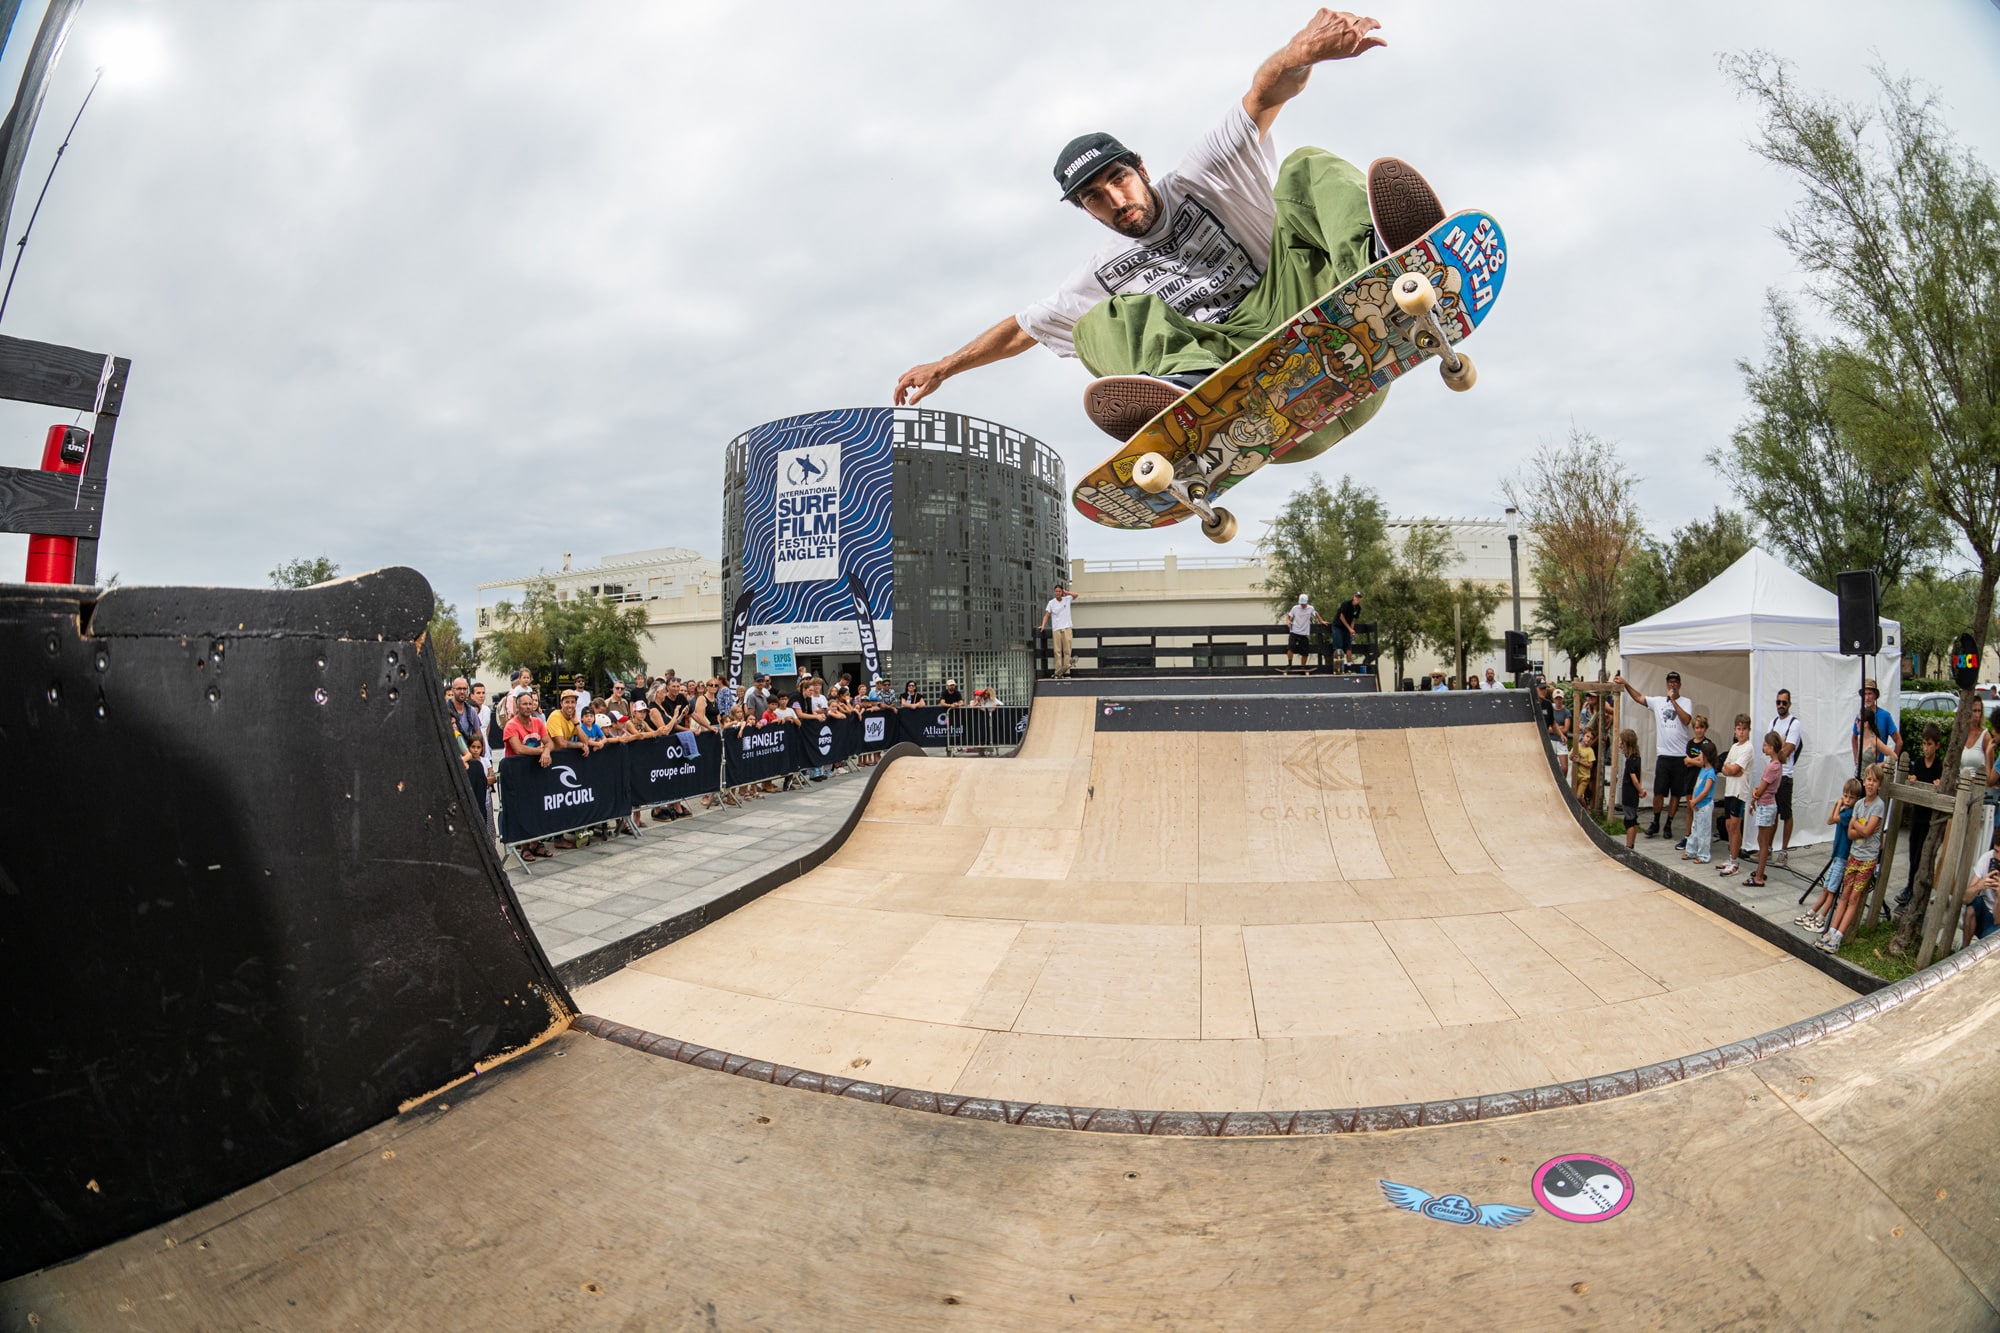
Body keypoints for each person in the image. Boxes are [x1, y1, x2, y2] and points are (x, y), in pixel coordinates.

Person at [892, 10, 1441, 454]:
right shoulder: (1101, 272)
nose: (1116, 200)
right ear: (1085, 210)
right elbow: (1022, 329)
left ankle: (1385, 268)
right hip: (1248, 388)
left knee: (1304, 166)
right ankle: (1190, 398)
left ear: (1142, 170)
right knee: (1098, 322)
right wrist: (945, 367)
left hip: (1315, 314)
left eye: (1119, 179)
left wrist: (1301, 53)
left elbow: (1264, 96)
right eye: (1095, 197)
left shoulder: (1204, 173)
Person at [1614, 670, 1695, 841]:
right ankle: (1656, 821)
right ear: (1666, 684)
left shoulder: (1686, 702)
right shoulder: (1658, 702)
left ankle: (1669, 823)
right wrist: (1626, 684)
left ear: (1680, 685)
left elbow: (1686, 720)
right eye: (1670, 682)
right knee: (1659, 792)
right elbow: (1639, 698)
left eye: (1675, 682)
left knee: (1675, 794)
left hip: (1680, 755)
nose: (1672, 685)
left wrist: (1673, 701)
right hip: (1664, 755)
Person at [1819, 765, 1887, 953]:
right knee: (1844, 894)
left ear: (1879, 785)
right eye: (1869, 779)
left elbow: (1867, 831)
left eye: (1874, 781)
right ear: (1864, 782)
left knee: (1854, 898)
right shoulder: (1858, 804)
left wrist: (1857, 825)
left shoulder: (1878, 806)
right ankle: (1831, 931)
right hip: (1853, 855)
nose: (1871, 784)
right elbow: (1851, 833)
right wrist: (1860, 828)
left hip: (1867, 859)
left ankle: (1838, 936)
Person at [1797, 778, 1863, 934]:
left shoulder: (1850, 814)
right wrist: (1835, 805)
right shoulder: (1844, 811)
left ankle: (1821, 919)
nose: (1847, 800)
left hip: (1843, 857)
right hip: (1836, 855)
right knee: (1826, 888)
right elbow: (1829, 821)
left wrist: (1838, 804)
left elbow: (1835, 819)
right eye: (1845, 796)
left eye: (1851, 797)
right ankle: (1812, 912)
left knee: (1832, 890)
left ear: (1857, 799)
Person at [1897, 722, 1947, 912]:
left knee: (1921, 856)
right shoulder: (1918, 762)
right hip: (1916, 817)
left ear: (1937, 745)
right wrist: (1912, 779)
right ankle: (1909, 886)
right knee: (1912, 853)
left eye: (1929, 744)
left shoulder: (1939, 767)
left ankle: (1914, 889)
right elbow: (1913, 779)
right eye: (1924, 744)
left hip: (1929, 820)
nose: (1926, 748)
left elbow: (1940, 787)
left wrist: (1939, 785)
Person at [1716, 714, 1755, 878]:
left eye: (1744, 729)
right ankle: (1731, 856)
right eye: (1739, 729)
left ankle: (1735, 860)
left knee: (1735, 825)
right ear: (1735, 730)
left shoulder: (1748, 748)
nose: (1741, 732)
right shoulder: (1734, 747)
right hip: (1730, 790)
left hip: (1740, 791)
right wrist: (1730, 770)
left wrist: (1731, 769)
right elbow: (1725, 767)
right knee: (1728, 825)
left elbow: (1736, 769)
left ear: (1749, 730)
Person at [1766, 687, 1803, 866]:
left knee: (1786, 814)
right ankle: (1768, 849)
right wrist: (1776, 751)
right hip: (1772, 774)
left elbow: (1787, 750)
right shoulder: (1773, 722)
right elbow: (1767, 747)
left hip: (1785, 775)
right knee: (1771, 813)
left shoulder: (1794, 724)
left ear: (1789, 704)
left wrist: (1776, 750)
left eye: (1784, 702)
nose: (1780, 705)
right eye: (1778, 702)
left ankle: (1784, 851)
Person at [1743, 730, 1784, 888]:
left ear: (1772, 747)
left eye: (1766, 745)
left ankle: (1759, 876)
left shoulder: (1773, 766)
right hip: (1765, 804)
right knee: (1762, 841)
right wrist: (1756, 796)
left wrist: (1755, 795)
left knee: (1763, 842)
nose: (1763, 747)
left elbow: (1763, 787)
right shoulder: (1775, 765)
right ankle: (1760, 871)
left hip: (1767, 805)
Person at [1673, 714, 1711, 852]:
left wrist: (1692, 760)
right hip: (1690, 778)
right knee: (1690, 808)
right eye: (1696, 727)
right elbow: (1686, 762)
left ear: (1705, 728)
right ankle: (1688, 836)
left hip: (1701, 779)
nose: (1699, 730)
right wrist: (1693, 761)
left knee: (1700, 809)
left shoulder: (1707, 744)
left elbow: (1702, 762)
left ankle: (1699, 837)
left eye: (1701, 727)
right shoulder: (1690, 743)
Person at [1961, 825, 2000, 948]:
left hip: (1997, 921)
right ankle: (1963, 949)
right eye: (1996, 851)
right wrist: (1979, 885)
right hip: (1984, 913)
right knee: (1972, 906)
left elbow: (1998, 919)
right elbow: (1965, 899)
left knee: (1989, 939)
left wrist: (1998, 895)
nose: (1997, 857)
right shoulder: (1987, 858)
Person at [1850, 678, 1900, 769]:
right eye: (1864, 694)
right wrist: (1856, 758)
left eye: (1870, 694)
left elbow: (1899, 741)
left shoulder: (1885, 716)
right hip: (1863, 770)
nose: (1867, 697)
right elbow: (1854, 738)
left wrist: (1889, 764)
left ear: (1875, 695)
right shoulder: (1860, 716)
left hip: (1878, 770)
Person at [1682, 741, 1719, 864]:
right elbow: (1697, 786)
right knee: (1695, 828)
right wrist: (1693, 800)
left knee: (1703, 831)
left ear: (1707, 756)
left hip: (1704, 806)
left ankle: (1703, 855)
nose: (1700, 757)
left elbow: (1705, 791)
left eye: (1701, 754)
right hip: (1697, 805)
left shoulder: (1711, 773)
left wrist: (1695, 801)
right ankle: (1691, 851)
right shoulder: (1702, 770)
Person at [1040, 585, 1078, 678]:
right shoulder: (1051, 603)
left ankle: (1067, 671)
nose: (1058, 593)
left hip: (1066, 628)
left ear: (1062, 592)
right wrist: (1043, 625)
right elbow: (1047, 615)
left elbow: (1076, 595)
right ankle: (1058, 672)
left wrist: (1066, 592)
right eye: (1056, 591)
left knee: (1067, 651)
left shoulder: (1067, 599)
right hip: (1056, 629)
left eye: (1059, 591)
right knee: (1057, 651)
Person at [1280, 593, 1325, 670]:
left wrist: (1321, 621)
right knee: (1290, 648)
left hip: (1304, 633)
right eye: (1301, 604)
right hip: (1294, 631)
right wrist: (1288, 621)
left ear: (1307, 602)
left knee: (1305, 652)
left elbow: (1315, 614)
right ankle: (1289, 664)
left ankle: (1303, 666)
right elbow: (1289, 615)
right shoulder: (1295, 608)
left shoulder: (1310, 608)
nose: (1303, 605)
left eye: (1304, 604)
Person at [1617, 729, 1645, 850]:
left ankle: (1629, 846)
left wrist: (1641, 790)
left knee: (1629, 820)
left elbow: (1634, 779)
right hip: (1633, 794)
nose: (1619, 743)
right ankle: (1632, 845)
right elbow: (1640, 774)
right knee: (1633, 818)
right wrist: (1640, 789)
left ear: (1625, 743)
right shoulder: (1637, 758)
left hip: (1629, 793)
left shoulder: (1629, 761)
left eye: (1620, 741)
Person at [1332, 592, 1362, 668]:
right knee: (1339, 646)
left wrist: (1351, 630)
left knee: (1349, 646)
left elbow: (1353, 620)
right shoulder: (1346, 604)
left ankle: (1349, 667)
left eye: (1359, 597)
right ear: (1353, 597)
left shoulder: (1358, 608)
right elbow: (1341, 617)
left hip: (1347, 628)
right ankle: (1338, 667)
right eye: (1356, 597)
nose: (1357, 598)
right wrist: (1349, 629)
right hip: (1338, 626)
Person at [1570, 721, 1596, 807]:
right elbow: (1570, 757)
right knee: (1573, 795)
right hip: (1575, 775)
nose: (1589, 739)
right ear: (1583, 736)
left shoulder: (1590, 751)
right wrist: (1572, 756)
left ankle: (1585, 809)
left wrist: (1580, 761)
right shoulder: (1576, 746)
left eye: (1591, 738)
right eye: (1587, 736)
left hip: (1584, 777)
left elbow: (1590, 765)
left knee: (1578, 796)